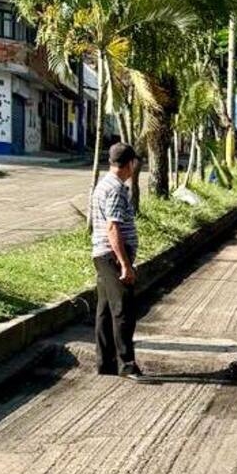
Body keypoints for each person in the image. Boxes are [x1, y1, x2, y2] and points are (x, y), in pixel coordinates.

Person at [91, 142, 142, 378]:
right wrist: (124, 264)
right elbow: (113, 227)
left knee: (105, 310)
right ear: (130, 163)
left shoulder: (103, 185)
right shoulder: (116, 189)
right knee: (123, 309)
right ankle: (126, 364)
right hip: (112, 256)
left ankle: (106, 363)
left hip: (101, 254)